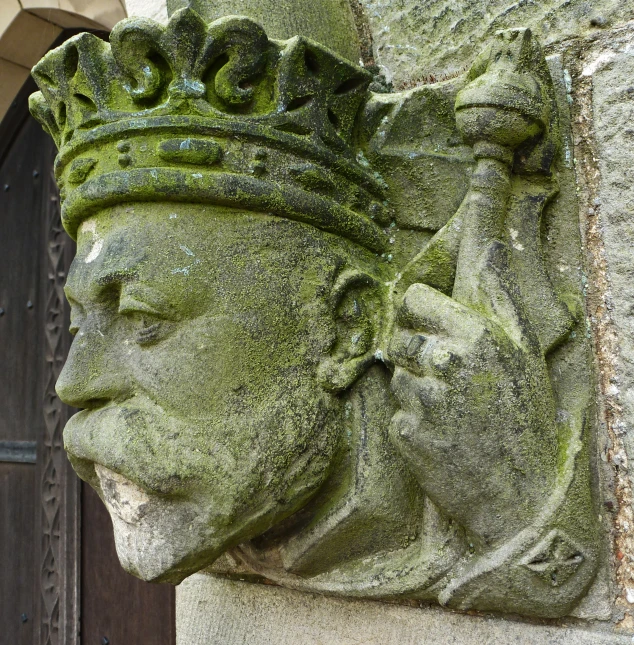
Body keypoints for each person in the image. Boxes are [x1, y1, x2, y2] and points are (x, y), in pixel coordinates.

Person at [29, 6, 599, 617]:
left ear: (347, 329)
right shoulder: (247, 504)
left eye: (146, 320)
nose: (73, 382)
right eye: (83, 320)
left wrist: (511, 506)